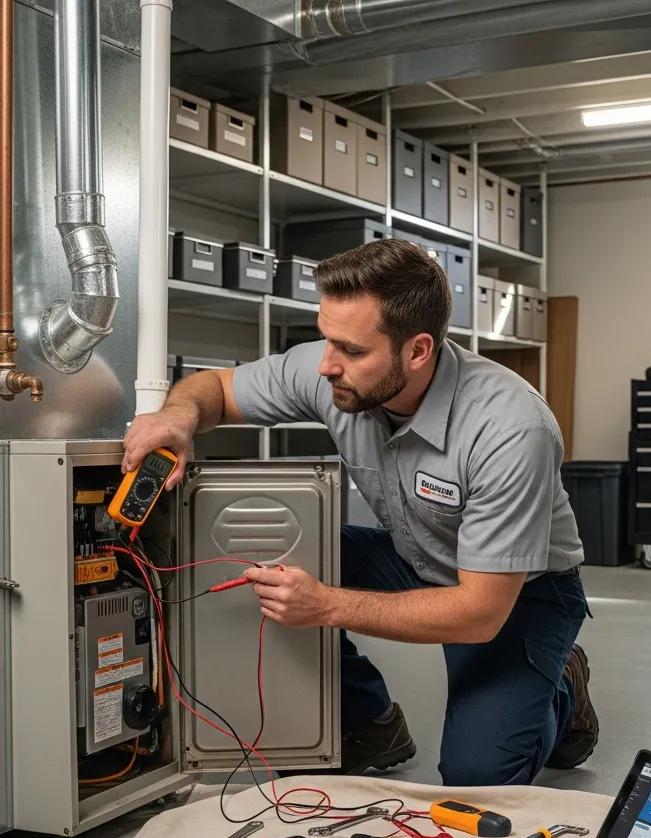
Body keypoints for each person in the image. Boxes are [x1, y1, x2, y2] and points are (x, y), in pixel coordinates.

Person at [122, 239, 598, 786]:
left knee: (478, 776)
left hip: (517, 592)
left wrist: (325, 605)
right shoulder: (335, 368)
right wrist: (179, 416)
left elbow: (478, 612)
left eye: (349, 350)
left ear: (417, 351)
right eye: (326, 339)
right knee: (244, 552)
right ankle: (368, 720)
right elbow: (215, 388)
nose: (326, 365)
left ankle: (563, 683)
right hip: (414, 555)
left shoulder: (510, 428)